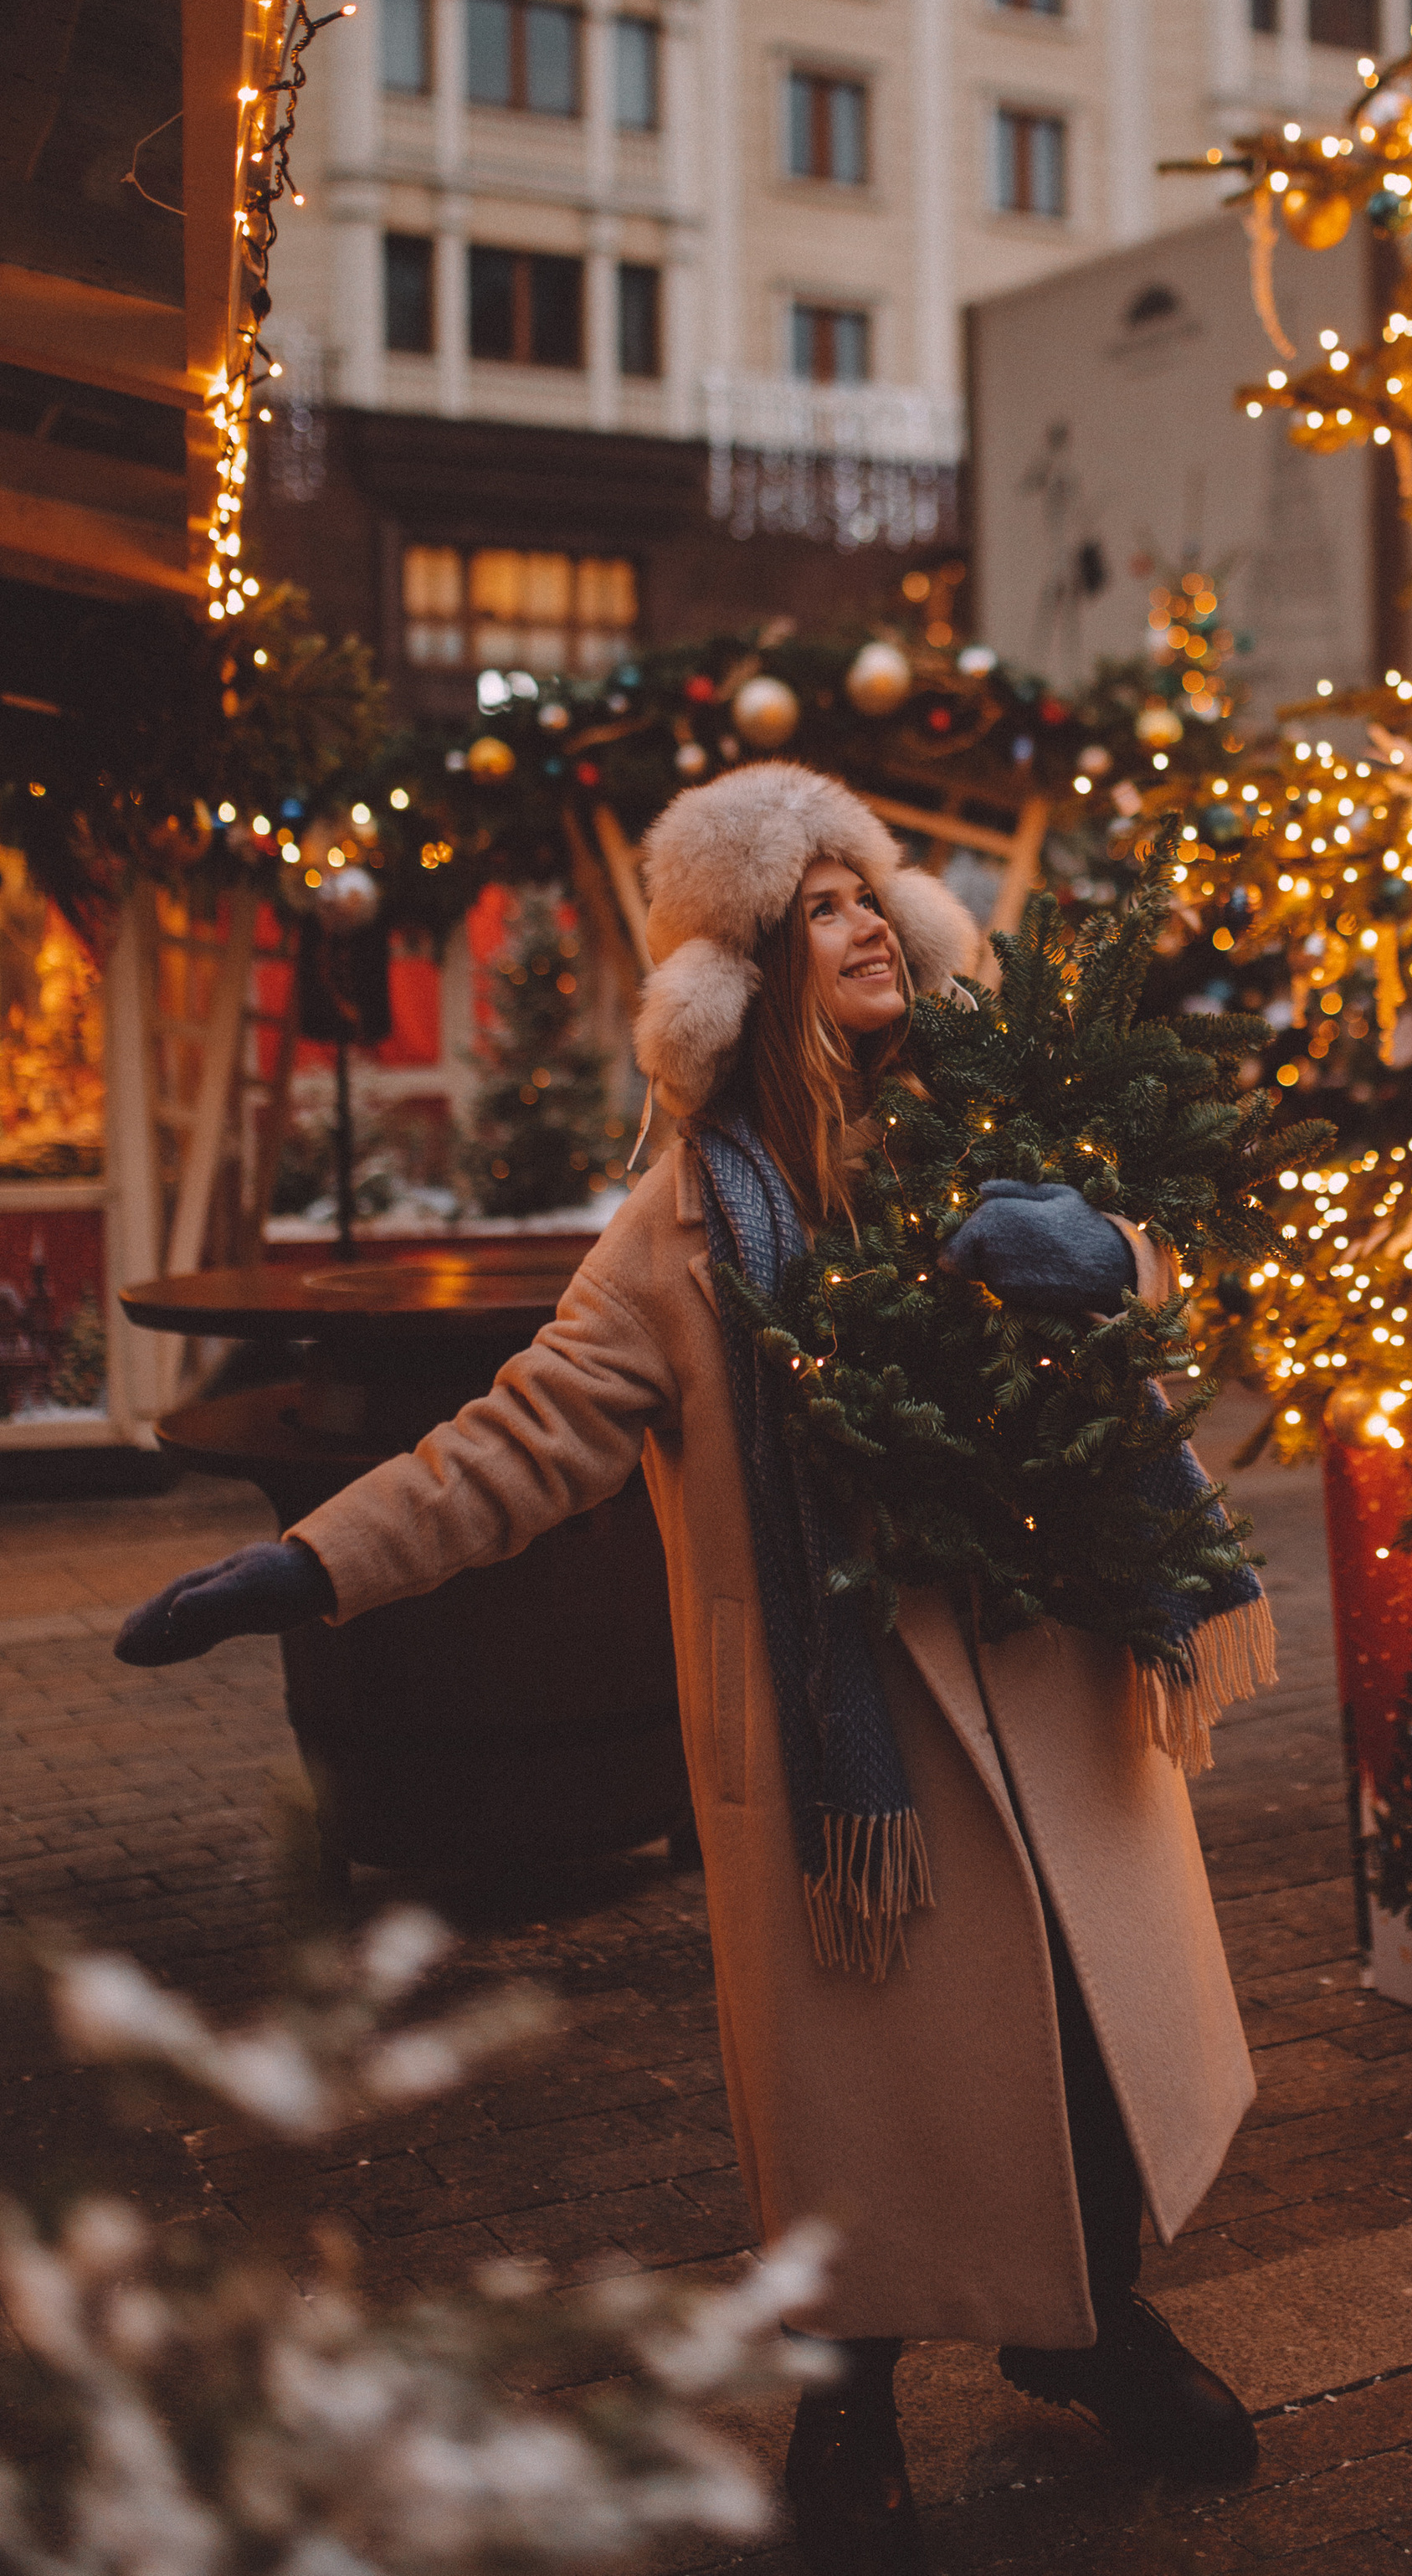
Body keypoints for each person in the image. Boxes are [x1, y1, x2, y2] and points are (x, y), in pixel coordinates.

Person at [116, 764, 1266, 2576]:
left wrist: (1105, 1255)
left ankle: (1087, 2326)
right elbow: (518, 1441)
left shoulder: (982, 1125)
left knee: (1071, 2034)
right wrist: (308, 1563)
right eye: (815, 905)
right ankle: (847, 2396)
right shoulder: (680, 1231)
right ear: (739, 971)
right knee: (863, 2096)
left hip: (1053, 1703)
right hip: (849, 1750)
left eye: (868, 889)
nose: (864, 919)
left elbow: (1151, 1265)